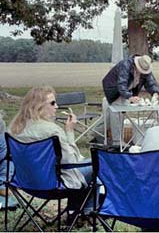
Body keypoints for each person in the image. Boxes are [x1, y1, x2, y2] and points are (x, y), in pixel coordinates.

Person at [8, 86, 96, 216]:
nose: (57, 107)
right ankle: (86, 212)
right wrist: (70, 131)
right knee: (98, 164)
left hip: (26, 183)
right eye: (53, 103)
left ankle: (76, 211)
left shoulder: (13, 129)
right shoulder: (52, 130)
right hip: (55, 186)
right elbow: (72, 161)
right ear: (39, 106)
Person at [102, 54, 159, 147]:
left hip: (125, 91)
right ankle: (117, 143)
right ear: (136, 65)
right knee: (117, 114)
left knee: (110, 116)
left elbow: (151, 82)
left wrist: (155, 93)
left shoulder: (146, 67)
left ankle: (98, 135)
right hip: (113, 89)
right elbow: (121, 85)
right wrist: (130, 97)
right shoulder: (125, 65)